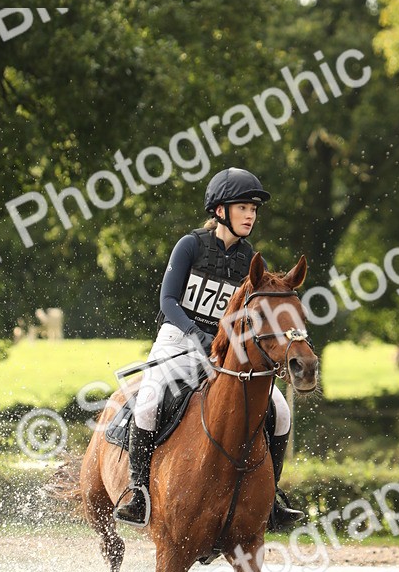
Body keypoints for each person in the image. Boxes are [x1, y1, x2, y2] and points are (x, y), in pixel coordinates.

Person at [114, 166, 304, 531]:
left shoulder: (251, 260)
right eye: (243, 207)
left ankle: (273, 499)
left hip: (224, 350)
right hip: (177, 339)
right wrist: (195, 335)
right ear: (220, 211)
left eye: (254, 209)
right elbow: (168, 300)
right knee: (150, 399)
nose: (251, 215)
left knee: (280, 411)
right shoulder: (190, 245)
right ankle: (138, 492)